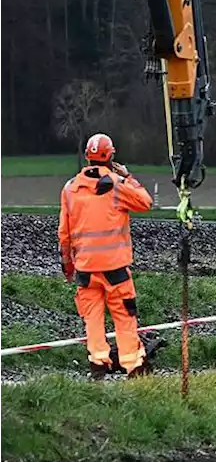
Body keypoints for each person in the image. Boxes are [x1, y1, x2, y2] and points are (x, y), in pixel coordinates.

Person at [58, 133, 155, 379]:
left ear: (87, 157)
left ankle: (98, 363)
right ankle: (133, 365)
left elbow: (64, 233)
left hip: (85, 269)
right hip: (115, 269)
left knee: (92, 317)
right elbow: (145, 202)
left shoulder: (70, 189)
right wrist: (128, 176)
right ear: (111, 156)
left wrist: (68, 265)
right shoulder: (116, 186)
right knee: (124, 315)